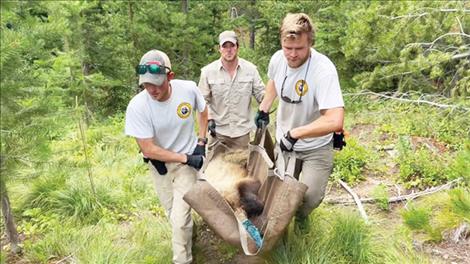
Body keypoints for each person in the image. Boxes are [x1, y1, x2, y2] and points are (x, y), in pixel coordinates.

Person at [255, 13, 345, 230]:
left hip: (316, 145)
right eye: (288, 48)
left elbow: (335, 119)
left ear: (310, 43)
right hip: (285, 145)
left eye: (299, 49)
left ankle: (302, 217)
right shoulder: (278, 59)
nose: (293, 55)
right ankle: (281, 236)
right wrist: (264, 108)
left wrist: (296, 134)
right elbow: (274, 82)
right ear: (282, 43)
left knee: (311, 196)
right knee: (282, 194)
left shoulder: (323, 71)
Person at [125, 49, 208, 264]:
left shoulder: (188, 89)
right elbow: (148, 149)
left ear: (170, 76)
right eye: (146, 84)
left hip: (186, 165)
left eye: (157, 83)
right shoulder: (137, 106)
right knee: (174, 214)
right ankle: (191, 235)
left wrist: (201, 141)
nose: (152, 89)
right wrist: (184, 158)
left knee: (180, 220)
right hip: (160, 166)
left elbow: (203, 110)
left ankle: (183, 260)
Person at [198, 30, 265, 159]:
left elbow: (262, 95)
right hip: (217, 134)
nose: (229, 50)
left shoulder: (250, 70)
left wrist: (263, 111)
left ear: (237, 47)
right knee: (213, 173)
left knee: (241, 174)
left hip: (242, 134)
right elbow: (202, 101)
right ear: (219, 49)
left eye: (232, 46)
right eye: (225, 46)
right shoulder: (208, 72)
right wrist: (210, 118)